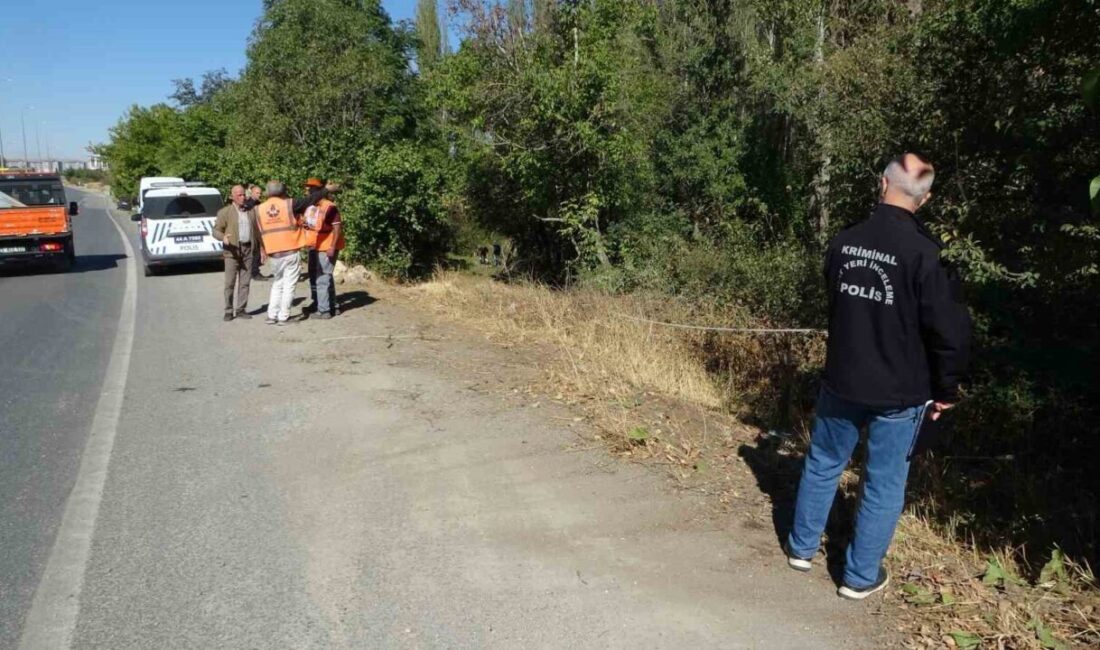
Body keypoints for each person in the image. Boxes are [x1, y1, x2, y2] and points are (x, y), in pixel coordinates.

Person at [785, 153, 972, 600]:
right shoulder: (927, 255)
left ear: (880, 184)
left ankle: (801, 548)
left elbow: (835, 299)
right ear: (923, 200)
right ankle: (859, 576)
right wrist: (946, 390)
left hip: (842, 378)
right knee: (883, 482)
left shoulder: (845, 241)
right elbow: (950, 332)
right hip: (899, 393)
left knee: (823, 462)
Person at [254, 180, 324, 325]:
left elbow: (258, 232)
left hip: (274, 252)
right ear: (282, 192)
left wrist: (263, 248)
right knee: (289, 285)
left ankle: (271, 315)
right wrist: (325, 190)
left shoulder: (259, 209)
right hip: (290, 250)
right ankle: (283, 317)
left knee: (277, 283)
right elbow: (310, 200)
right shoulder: (288, 204)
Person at [211, 185, 258, 321]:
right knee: (230, 282)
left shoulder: (250, 211)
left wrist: (261, 248)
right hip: (232, 250)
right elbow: (215, 230)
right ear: (232, 197)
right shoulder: (224, 212)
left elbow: (256, 231)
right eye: (239, 195)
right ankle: (228, 310)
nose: (242, 197)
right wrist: (223, 237)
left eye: (243, 194)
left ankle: (241, 309)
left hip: (248, 249)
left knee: (245, 282)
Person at [303, 178, 345, 320]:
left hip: (327, 246)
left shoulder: (329, 206)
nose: (307, 190)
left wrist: (332, 246)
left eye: (310, 189)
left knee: (322, 278)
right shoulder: (311, 206)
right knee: (325, 277)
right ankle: (332, 306)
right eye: (307, 188)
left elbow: (337, 227)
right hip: (316, 246)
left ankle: (324, 310)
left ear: (318, 191)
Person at [244, 184, 269, 281]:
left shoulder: (259, 203)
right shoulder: (248, 204)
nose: (259, 195)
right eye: (257, 193)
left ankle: (253, 271)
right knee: (255, 253)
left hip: (258, 230)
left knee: (257, 252)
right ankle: (254, 273)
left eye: (260, 193)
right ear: (251, 193)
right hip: (252, 231)